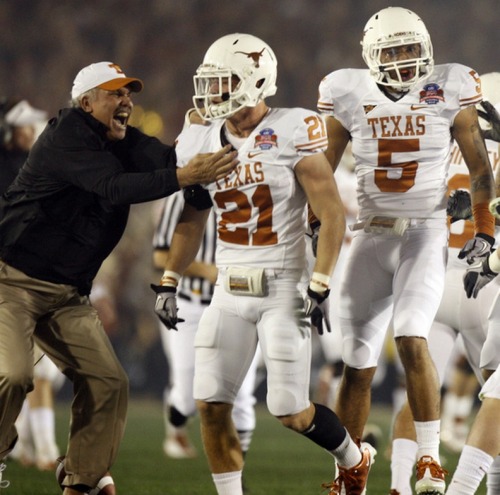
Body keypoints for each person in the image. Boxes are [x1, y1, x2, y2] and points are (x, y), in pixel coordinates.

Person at [151, 33, 375, 495]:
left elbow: (330, 214)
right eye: (210, 81)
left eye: (225, 80)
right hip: (229, 288)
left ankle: (355, 460)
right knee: (211, 403)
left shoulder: (294, 128)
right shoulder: (199, 135)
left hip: (284, 283)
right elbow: (192, 217)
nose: (213, 91)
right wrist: (170, 279)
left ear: (256, 80)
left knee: (290, 409)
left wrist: (319, 283)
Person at [0, 61, 238, 494]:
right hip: (12, 279)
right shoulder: (64, 138)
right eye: (116, 93)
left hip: (68, 293)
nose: (127, 101)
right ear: (86, 101)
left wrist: (209, 123)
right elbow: (114, 187)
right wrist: (186, 176)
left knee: (108, 382)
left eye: (129, 93)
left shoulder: (120, 138)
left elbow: (170, 159)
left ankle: (83, 480)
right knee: (13, 374)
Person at [316, 7, 496, 495]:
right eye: (392, 49)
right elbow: (322, 174)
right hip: (371, 232)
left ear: (427, 47)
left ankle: (430, 460)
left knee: (413, 336)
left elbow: (480, 167)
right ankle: (349, 471)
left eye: (411, 48)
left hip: (424, 230)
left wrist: (484, 227)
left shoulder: (451, 85)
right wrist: (312, 237)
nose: (404, 58)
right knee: (357, 366)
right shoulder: (346, 91)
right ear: (373, 56)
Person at [388, 72, 500, 495]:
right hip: (484, 284)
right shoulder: (489, 157)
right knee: (497, 401)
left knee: (422, 395)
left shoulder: (442, 146)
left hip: (433, 278)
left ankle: (399, 482)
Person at [153, 189, 259, 466]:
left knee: (243, 394)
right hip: (192, 305)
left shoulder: (257, 186)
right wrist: (208, 271)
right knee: (187, 399)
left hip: (241, 305)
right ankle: (175, 419)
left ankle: (237, 477)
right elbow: (160, 256)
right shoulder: (182, 195)